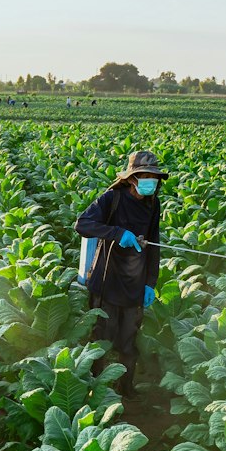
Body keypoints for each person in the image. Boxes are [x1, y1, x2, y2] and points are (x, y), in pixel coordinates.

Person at [75, 149, 165, 397]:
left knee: (129, 341)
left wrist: (150, 283)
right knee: (101, 339)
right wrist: (117, 233)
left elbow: (154, 245)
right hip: (106, 281)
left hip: (135, 284)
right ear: (132, 178)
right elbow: (82, 224)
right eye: (145, 176)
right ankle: (95, 389)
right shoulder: (111, 199)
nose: (151, 182)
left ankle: (126, 389)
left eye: (153, 177)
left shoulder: (153, 204)